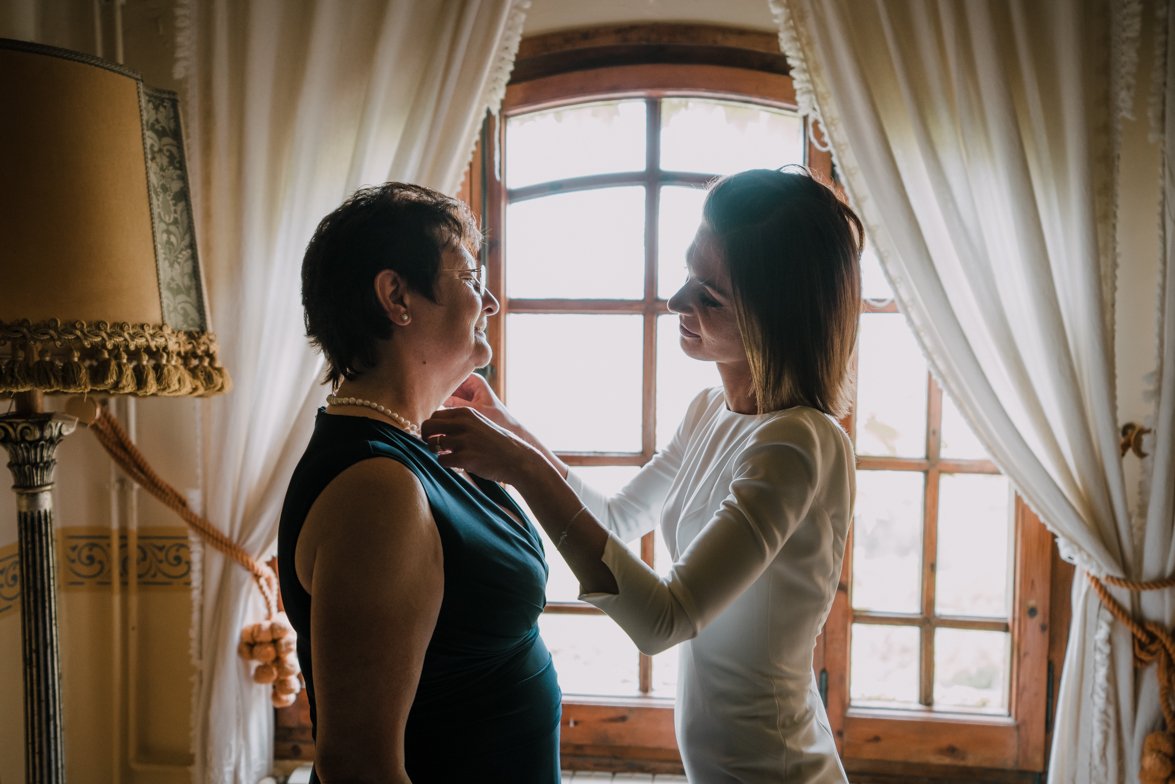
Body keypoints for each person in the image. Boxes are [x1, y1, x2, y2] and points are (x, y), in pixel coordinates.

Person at [424, 167, 862, 783]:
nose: (677, 301)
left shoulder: (798, 443)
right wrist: (510, 428)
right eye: (688, 273)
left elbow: (664, 620)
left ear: (778, 318)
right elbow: (618, 518)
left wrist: (521, 468)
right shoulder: (709, 410)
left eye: (709, 296)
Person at [276, 183, 561, 783]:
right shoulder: (378, 490)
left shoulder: (427, 444)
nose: (491, 302)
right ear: (396, 296)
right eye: (471, 277)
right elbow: (357, 766)